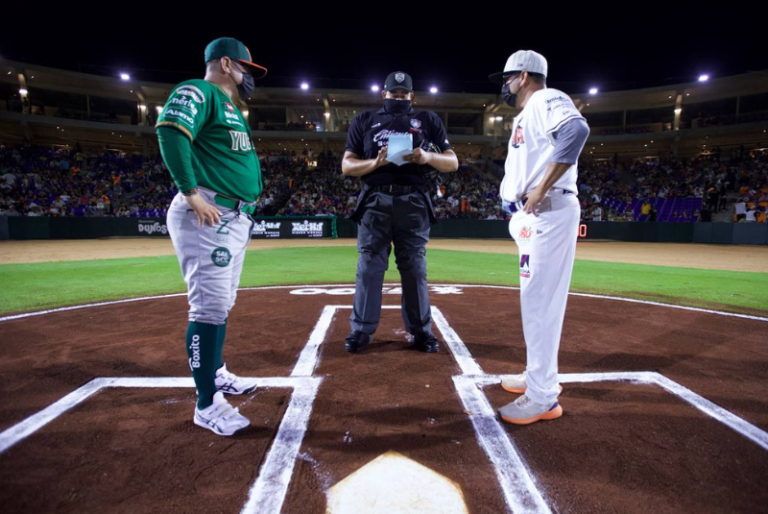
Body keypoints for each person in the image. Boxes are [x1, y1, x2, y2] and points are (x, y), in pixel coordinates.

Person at [156, 37, 268, 436]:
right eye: (245, 68)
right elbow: (170, 131)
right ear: (225, 63)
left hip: (232, 216)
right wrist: (190, 193)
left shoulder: (230, 106)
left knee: (222, 304)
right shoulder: (199, 90)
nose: (248, 76)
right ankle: (206, 404)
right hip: (208, 212)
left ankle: (215, 372)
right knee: (208, 309)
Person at [487, 50, 589, 425]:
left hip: (547, 211)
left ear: (525, 75)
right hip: (533, 217)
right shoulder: (529, 111)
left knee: (540, 304)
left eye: (508, 77)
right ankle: (537, 376)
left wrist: (542, 186)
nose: (505, 84)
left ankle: (543, 397)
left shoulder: (547, 97)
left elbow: (577, 130)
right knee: (536, 301)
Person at [342, 71, 458, 353]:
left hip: (413, 201)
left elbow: (452, 162)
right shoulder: (364, 119)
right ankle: (361, 331)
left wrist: (426, 157)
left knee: (415, 268)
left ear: (411, 96)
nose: (398, 97)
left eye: (403, 94)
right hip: (375, 200)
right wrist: (376, 163)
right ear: (383, 94)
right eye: (393, 93)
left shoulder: (428, 119)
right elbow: (347, 165)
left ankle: (421, 332)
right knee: (369, 266)